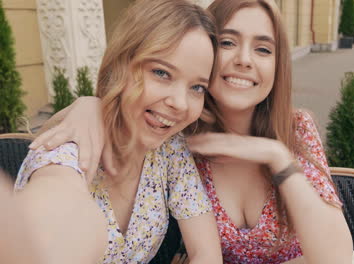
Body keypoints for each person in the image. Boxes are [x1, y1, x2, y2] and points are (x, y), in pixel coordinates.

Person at [32, 0, 353, 263]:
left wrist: (276, 155)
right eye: (228, 42)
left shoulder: (294, 129)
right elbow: (55, 196)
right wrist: (90, 105)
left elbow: (337, 258)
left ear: (278, 65)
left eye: (263, 49)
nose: (243, 60)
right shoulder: (177, 141)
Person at [13, 0, 222, 263]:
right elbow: (53, 205)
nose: (180, 103)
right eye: (162, 72)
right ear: (120, 64)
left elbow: (206, 253)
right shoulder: (68, 148)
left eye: (197, 87)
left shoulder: (170, 150)